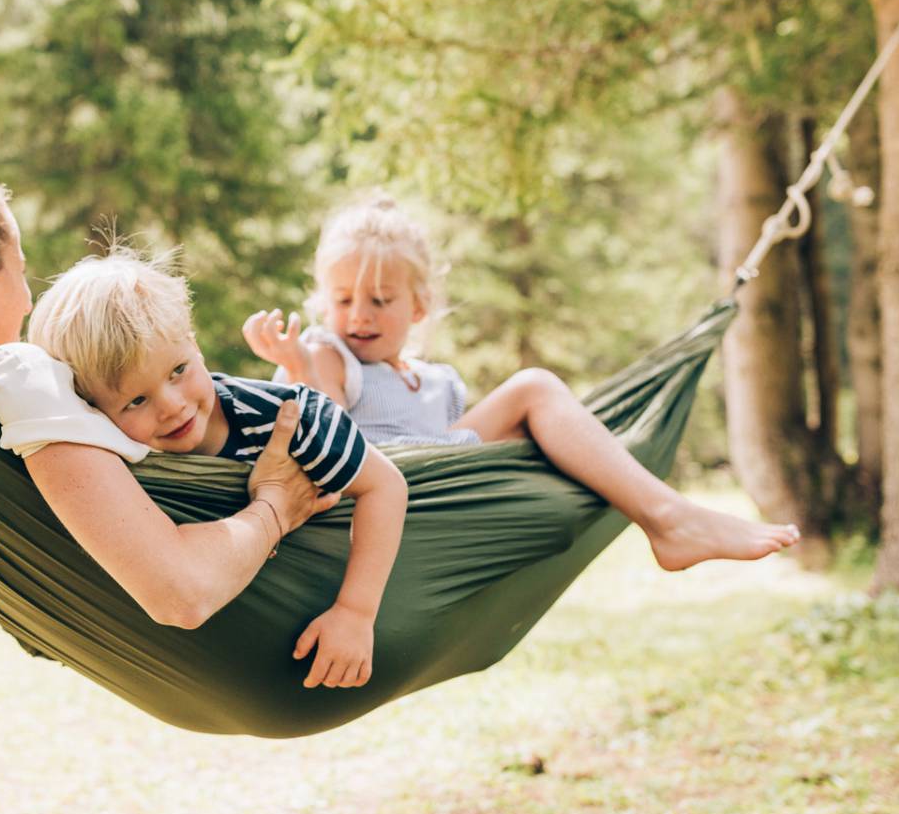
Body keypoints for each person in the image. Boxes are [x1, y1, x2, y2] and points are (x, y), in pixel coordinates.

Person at [0, 121, 347, 649]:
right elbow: (181, 592)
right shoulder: (20, 380)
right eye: (20, 267)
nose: (28, 298)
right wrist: (276, 507)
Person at [243, 196, 801, 571]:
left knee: (536, 391)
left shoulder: (436, 381)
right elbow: (326, 436)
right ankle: (671, 518)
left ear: (419, 306)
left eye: (379, 300)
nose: (358, 315)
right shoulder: (326, 353)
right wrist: (299, 371)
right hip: (385, 484)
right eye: (343, 300)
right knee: (533, 386)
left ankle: (662, 515)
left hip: (449, 487)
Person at [29, 250, 408, 689]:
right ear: (94, 410)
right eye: (136, 400)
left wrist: (356, 612)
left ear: (195, 342)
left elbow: (385, 486)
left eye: (178, 370)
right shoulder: (104, 461)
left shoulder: (293, 419)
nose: (172, 407)